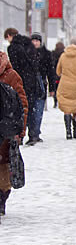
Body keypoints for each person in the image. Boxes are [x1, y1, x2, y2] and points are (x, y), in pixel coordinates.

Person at [4, 28, 45, 145]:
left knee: (19, 109)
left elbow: (15, 67)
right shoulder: (29, 44)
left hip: (21, 82)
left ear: (9, 36)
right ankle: (33, 135)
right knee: (31, 109)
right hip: (32, 82)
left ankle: (20, 136)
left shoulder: (13, 48)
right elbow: (35, 62)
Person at [0, 51, 28, 220]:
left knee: (3, 169)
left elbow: (22, 103)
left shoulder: (11, 75)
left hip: (6, 128)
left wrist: (21, 130)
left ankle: (1, 200)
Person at [31, 32, 57, 113]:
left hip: (41, 84)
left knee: (38, 111)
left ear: (40, 42)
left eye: (37, 41)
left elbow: (51, 72)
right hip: (29, 85)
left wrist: (52, 88)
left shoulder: (46, 54)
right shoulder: (26, 53)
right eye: (33, 41)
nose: (35, 43)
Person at [51, 42, 65, 108]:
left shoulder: (53, 54)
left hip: (55, 74)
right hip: (62, 74)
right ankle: (61, 101)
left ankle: (55, 101)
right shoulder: (64, 54)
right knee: (62, 89)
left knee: (56, 88)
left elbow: (52, 64)